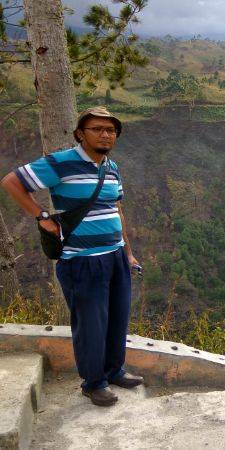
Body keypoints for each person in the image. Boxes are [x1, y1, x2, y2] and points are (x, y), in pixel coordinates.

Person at [1, 106, 143, 406]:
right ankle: (94, 383)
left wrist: (128, 253)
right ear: (81, 133)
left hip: (115, 254)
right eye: (98, 129)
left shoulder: (111, 168)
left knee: (117, 317)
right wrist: (42, 216)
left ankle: (115, 370)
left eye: (111, 130)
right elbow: (12, 182)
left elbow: (116, 210)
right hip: (83, 258)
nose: (106, 134)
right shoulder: (60, 163)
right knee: (91, 322)